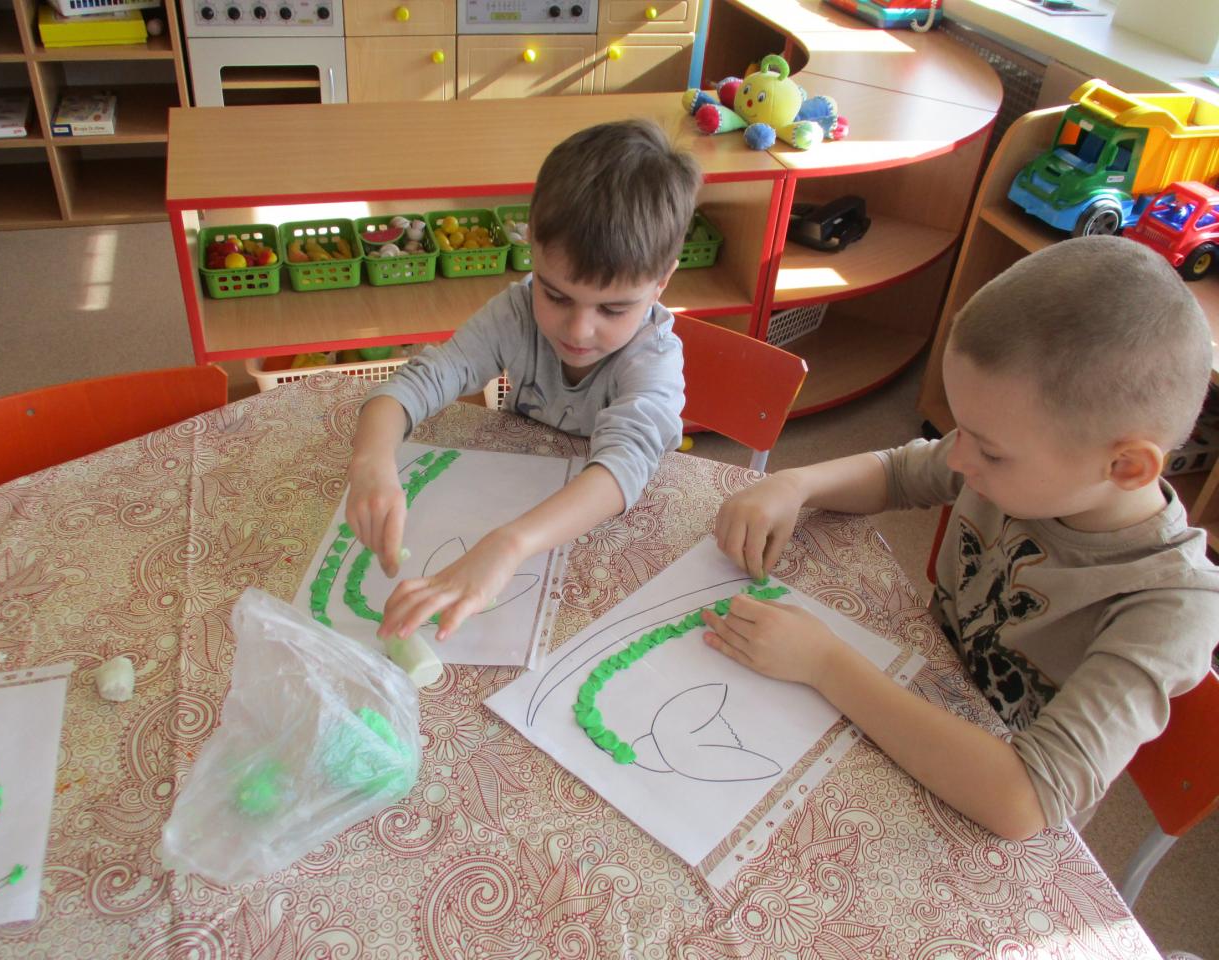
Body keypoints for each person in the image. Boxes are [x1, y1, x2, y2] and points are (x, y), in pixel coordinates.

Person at [703, 235, 1219, 839]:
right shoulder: (1029, 461)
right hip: (905, 700)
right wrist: (795, 484)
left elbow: (1023, 801)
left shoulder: (1173, 605)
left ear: (1126, 466)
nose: (958, 457)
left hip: (978, 809)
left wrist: (824, 663)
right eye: (962, 430)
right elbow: (899, 472)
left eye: (989, 451)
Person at [346, 118, 702, 643]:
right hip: (511, 504)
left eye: (613, 309)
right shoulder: (515, 314)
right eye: (555, 295)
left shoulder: (653, 359)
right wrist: (371, 463)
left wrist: (509, 544)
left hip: (604, 538)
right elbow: (417, 383)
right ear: (532, 246)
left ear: (662, 281)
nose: (578, 330)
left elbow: (623, 467)